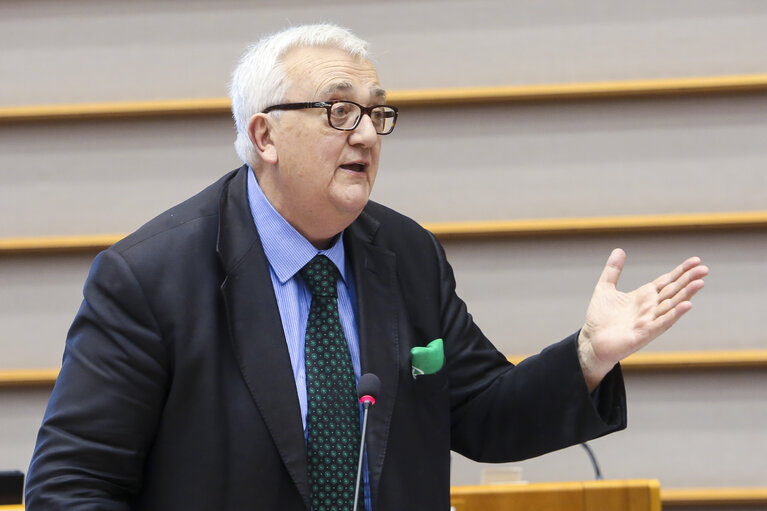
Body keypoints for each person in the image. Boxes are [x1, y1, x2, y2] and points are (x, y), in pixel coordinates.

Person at [25, 24, 708, 511]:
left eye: (375, 113)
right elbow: (69, 485)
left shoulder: (406, 255)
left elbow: (480, 414)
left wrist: (588, 355)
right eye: (338, 110)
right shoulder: (150, 277)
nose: (363, 134)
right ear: (264, 135)